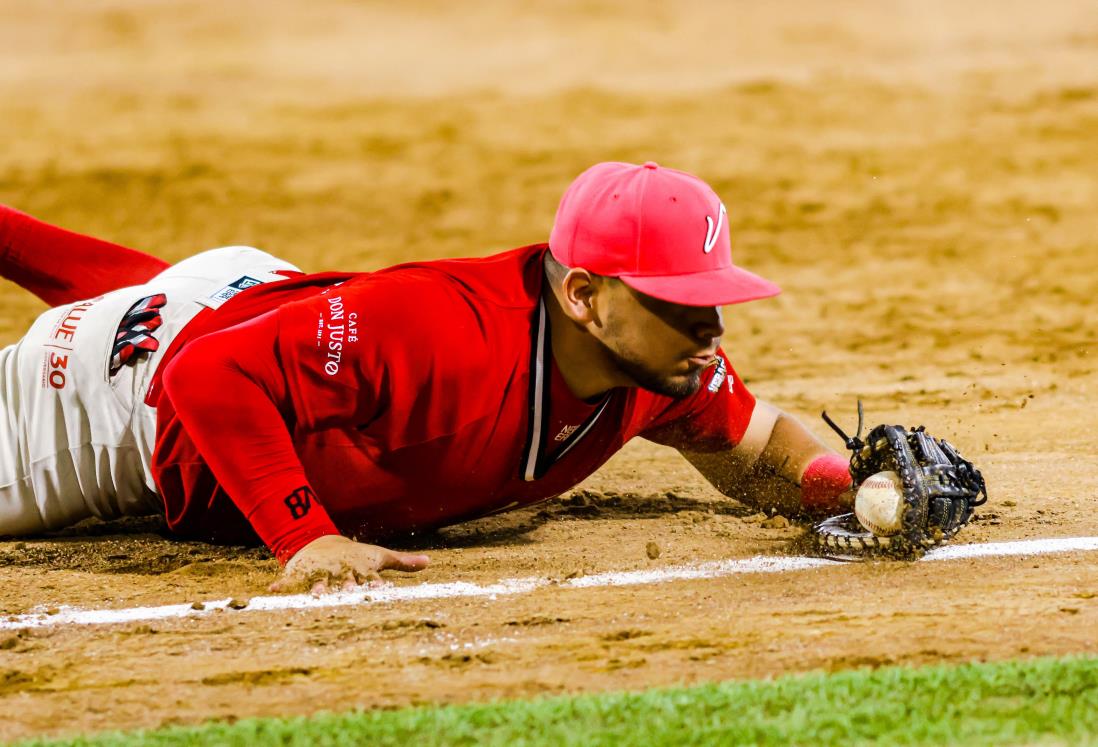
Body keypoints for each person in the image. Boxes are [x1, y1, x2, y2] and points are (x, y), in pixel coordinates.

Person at [0, 161, 854, 593]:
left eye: (712, 299)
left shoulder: (660, 360)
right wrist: (306, 535)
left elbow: (757, 446)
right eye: (680, 301)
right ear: (587, 298)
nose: (712, 328)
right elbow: (207, 372)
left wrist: (851, 486)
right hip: (107, 395)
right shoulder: (441, 333)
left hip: (247, 298)